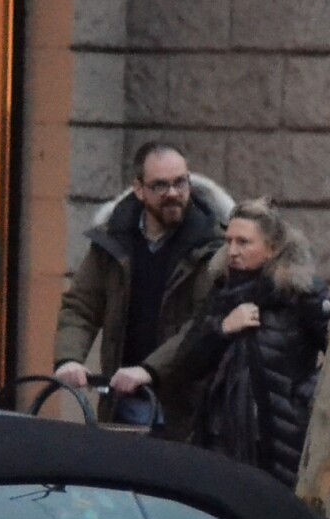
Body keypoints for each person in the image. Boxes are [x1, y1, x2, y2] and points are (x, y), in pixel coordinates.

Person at [52, 141, 230, 434]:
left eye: (180, 182)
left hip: (190, 407)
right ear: (139, 189)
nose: (173, 193)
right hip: (126, 401)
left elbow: (202, 324)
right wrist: (69, 358)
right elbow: (81, 306)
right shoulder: (113, 241)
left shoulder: (212, 247)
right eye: (160, 185)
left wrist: (148, 370)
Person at [162, 199, 330, 485]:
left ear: (272, 248)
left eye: (243, 242)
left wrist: (304, 396)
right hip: (220, 440)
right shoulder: (221, 291)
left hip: (281, 441)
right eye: (228, 241)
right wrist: (223, 328)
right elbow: (185, 365)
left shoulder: (301, 294)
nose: (232, 251)